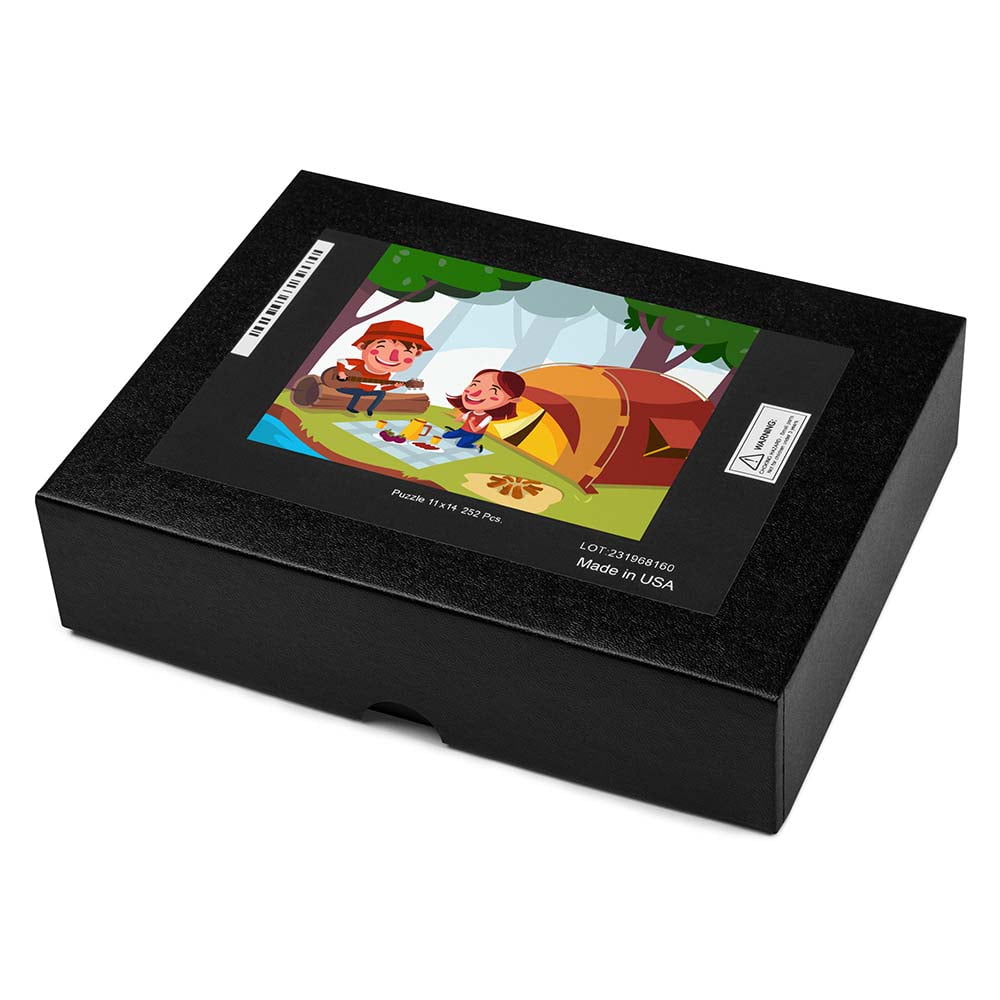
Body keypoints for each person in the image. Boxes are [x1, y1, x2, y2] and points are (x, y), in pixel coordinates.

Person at [323, 320, 432, 415]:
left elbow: (383, 388)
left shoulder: (386, 374)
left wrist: (395, 386)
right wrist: (341, 372)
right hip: (344, 387)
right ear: (363, 346)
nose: (393, 358)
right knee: (358, 392)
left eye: (406, 352)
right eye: (382, 347)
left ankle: (370, 409)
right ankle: (350, 407)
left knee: (381, 394)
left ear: (417, 353)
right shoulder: (361, 363)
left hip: (364, 391)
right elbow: (341, 361)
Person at [444, 369, 525, 451]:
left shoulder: (487, 417)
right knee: (445, 436)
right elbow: (459, 420)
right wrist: (460, 418)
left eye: (493, 390)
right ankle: (454, 433)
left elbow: (476, 429)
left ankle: (477, 446)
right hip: (463, 430)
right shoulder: (471, 413)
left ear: (513, 400)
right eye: (474, 384)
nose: (474, 393)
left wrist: (471, 422)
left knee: (460, 444)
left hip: (474, 434)